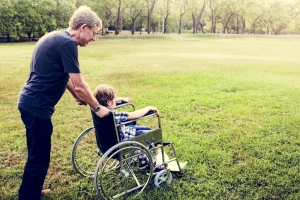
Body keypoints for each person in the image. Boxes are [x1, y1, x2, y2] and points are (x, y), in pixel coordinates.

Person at [17, 5, 110, 200]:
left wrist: (76, 96)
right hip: (37, 107)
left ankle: (32, 190)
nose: (93, 38)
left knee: (37, 153)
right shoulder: (66, 43)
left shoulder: (56, 37)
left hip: (30, 103)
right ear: (83, 27)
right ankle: (28, 196)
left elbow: (66, 77)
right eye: (93, 33)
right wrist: (97, 107)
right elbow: (80, 84)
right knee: (39, 157)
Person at [93, 84, 164, 173]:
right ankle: (144, 162)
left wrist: (121, 99)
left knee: (148, 128)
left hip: (107, 143)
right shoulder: (113, 116)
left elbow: (108, 101)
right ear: (109, 102)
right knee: (152, 135)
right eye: (114, 100)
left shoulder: (96, 110)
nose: (116, 101)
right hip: (123, 141)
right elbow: (135, 115)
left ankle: (142, 154)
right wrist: (148, 108)